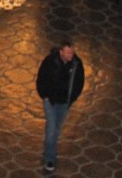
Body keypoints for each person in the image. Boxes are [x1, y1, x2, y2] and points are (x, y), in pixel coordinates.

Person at [36, 40, 85, 173]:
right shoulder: (50, 62)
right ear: (61, 52)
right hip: (50, 101)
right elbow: (41, 78)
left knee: (56, 128)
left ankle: (49, 147)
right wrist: (44, 95)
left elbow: (79, 82)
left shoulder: (76, 64)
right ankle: (49, 158)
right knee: (52, 129)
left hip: (64, 103)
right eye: (68, 52)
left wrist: (72, 98)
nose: (71, 55)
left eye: (72, 52)